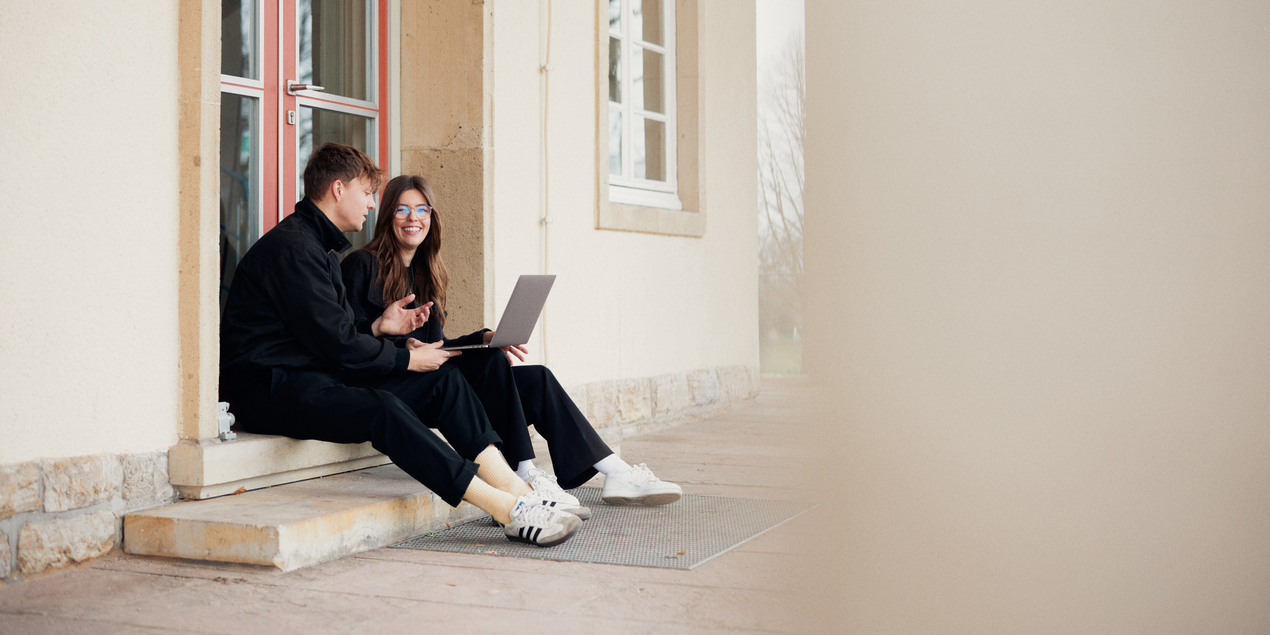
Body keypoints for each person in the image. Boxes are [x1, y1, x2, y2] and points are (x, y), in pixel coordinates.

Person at [219, 143, 580, 547]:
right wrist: (406, 359)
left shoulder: (314, 247)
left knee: (442, 383)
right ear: (338, 189)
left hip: (310, 374)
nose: (372, 204)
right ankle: (505, 508)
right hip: (270, 390)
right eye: (367, 192)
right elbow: (337, 345)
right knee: (384, 409)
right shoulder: (295, 249)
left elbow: (330, 333)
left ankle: (522, 493)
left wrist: (377, 327)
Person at [340, 174, 682, 513]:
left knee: (537, 379)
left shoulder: (428, 272)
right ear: (387, 216)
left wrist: (484, 339)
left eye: (422, 209)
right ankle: (523, 472)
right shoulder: (361, 265)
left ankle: (615, 471)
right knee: (491, 364)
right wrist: (393, 341)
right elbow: (348, 340)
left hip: (432, 376)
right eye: (402, 209)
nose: (413, 218)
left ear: (432, 217)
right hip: (393, 384)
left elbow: (438, 345)